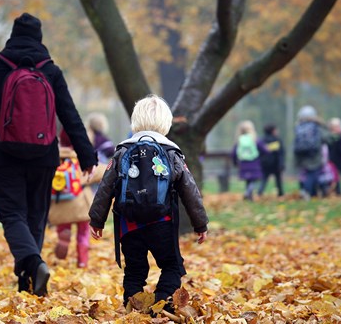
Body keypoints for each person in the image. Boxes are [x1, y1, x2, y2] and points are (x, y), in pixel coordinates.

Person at [0, 12, 97, 296]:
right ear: (39, 38)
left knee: (13, 215)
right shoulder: (50, 70)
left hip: (3, 156)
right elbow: (69, 115)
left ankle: (33, 265)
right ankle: (29, 283)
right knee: (36, 216)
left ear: (12, 36)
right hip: (43, 156)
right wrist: (86, 154)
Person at [88, 94, 208, 314]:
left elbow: (105, 188)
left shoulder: (122, 151)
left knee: (134, 271)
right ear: (166, 123)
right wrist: (200, 224)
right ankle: (162, 303)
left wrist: (97, 220)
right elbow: (190, 191)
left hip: (129, 226)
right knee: (172, 266)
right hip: (161, 223)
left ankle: (133, 309)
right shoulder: (172, 152)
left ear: (135, 121)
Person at [50, 130, 103, 268]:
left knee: (63, 224)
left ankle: (63, 236)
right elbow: (96, 173)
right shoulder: (81, 157)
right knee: (83, 233)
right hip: (81, 203)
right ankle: (82, 261)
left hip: (61, 202)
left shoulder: (56, 156)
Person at [293, 105, 332, 200]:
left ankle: (309, 192)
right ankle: (307, 192)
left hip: (302, 155)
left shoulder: (298, 127)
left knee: (306, 174)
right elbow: (327, 138)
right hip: (315, 155)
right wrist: (323, 125)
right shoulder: (316, 127)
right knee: (313, 174)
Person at [232, 120, 268, 201]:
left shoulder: (239, 140)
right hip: (254, 163)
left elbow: (233, 153)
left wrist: (235, 162)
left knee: (248, 180)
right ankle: (248, 192)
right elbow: (264, 150)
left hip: (243, 163)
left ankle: (249, 196)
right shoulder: (254, 139)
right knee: (255, 180)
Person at [257, 124, 285, 197]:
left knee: (264, 179)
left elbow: (259, 153)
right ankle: (280, 193)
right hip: (276, 164)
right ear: (273, 131)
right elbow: (281, 153)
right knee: (278, 180)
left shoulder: (262, 140)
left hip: (265, 164)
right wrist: (281, 164)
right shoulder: (277, 140)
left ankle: (260, 192)